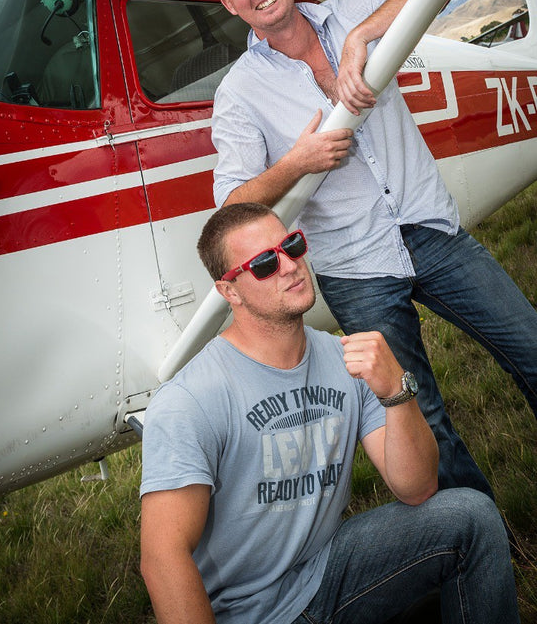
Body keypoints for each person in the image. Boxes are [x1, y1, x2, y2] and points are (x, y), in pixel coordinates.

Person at [208, 0, 537, 500]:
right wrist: (298, 162)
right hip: (356, 270)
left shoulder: (347, 12)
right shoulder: (239, 92)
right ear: (228, 2)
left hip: (432, 232)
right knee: (424, 418)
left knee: (531, 348)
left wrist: (362, 35)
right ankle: (486, 549)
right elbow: (231, 207)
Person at [140, 202, 519, 624]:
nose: (289, 266)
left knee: (471, 517)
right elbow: (162, 559)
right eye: (264, 263)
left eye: (292, 245)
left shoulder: (347, 358)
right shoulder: (190, 400)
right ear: (230, 291)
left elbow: (417, 488)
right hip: (249, 614)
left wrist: (397, 390)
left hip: (326, 574)